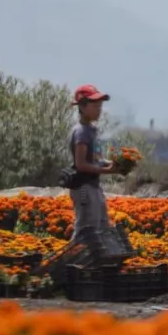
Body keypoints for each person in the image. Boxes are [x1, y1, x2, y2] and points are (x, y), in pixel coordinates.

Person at [69, 84, 119, 243]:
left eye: (100, 106)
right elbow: (81, 164)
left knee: (102, 226)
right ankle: (71, 261)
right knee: (86, 228)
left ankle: (96, 264)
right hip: (84, 187)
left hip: (94, 186)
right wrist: (109, 171)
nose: (99, 110)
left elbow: (96, 160)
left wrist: (116, 164)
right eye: (95, 106)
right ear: (82, 107)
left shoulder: (92, 130)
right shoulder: (81, 132)